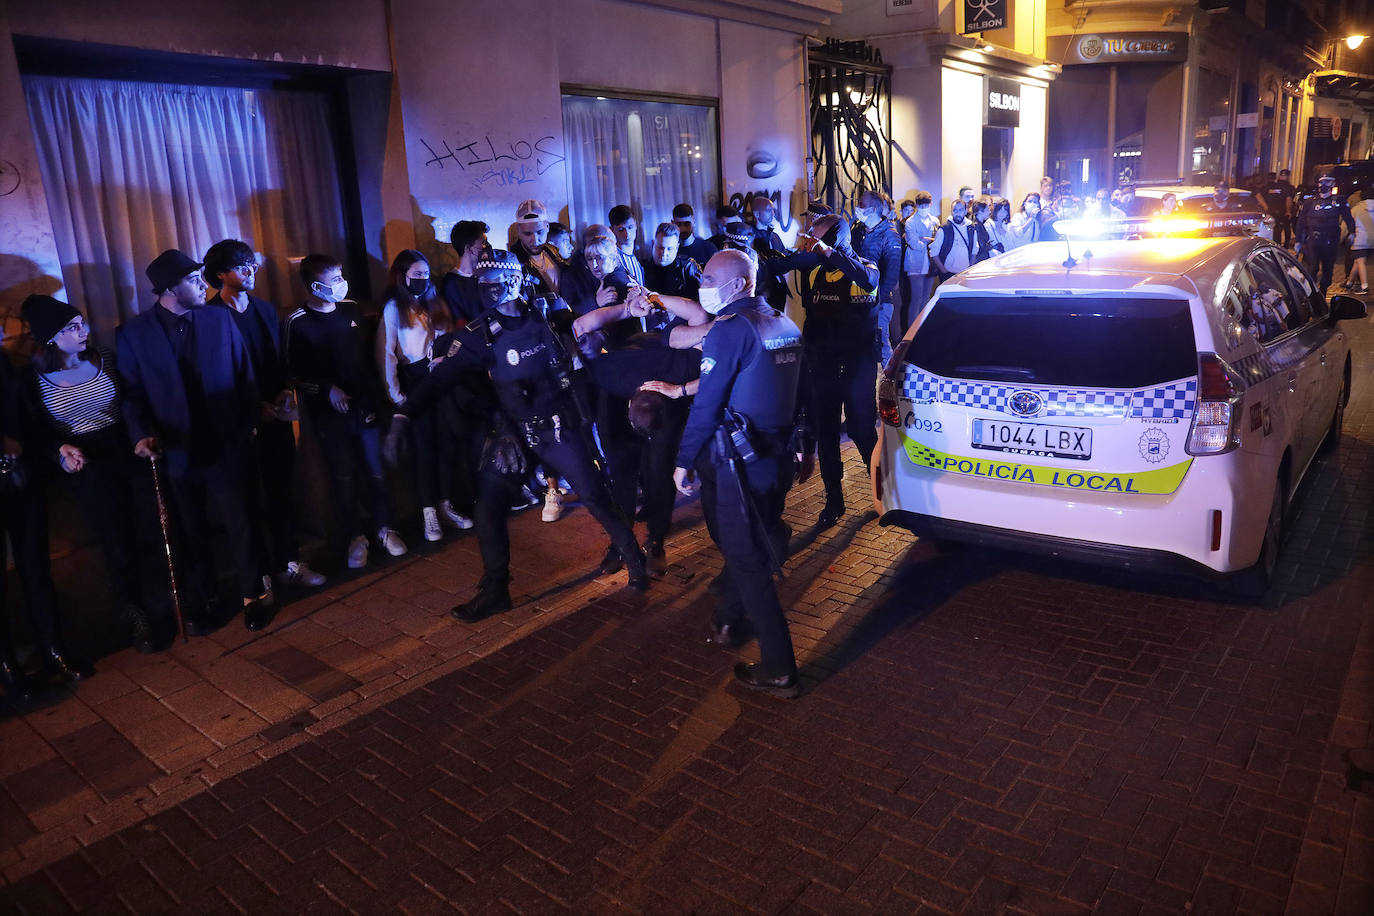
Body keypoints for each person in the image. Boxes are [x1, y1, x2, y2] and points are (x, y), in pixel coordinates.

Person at [386, 250, 650, 621]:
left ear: (514, 282)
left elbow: (583, 322)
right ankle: (496, 589)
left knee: (595, 496)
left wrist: (627, 310)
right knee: (488, 508)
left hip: (559, 427)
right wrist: (402, 414)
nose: (489, 294)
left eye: (495, 285)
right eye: (483, 287)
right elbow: (439, 379)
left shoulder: (545, 313)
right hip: (516, 434)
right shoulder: (479, 335)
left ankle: (634, 559)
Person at [116, 249, 272, 633]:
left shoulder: (219, 318)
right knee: (191, 528)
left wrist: (250, 422)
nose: (205, 285)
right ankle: (206, 598)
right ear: (169, 288)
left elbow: (243, 372)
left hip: (226, 441)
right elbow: (131, 392)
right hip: (175, 447)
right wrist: (141, 435)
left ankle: (254, 595)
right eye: (193, 280)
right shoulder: (134, 333)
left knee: (241, 520)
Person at [672, 249, 804, 699]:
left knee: (745, 559)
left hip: (736, 464)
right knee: (752, 541)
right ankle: (730, 616)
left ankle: (779, 667)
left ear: (737, 283)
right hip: (774, 456)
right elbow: (794, 393)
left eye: (708, 278)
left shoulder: (731, 330)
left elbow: (708, 403)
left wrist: (683, 459)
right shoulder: (782, 323)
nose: (702, 284)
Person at [19, 296, 171, 653]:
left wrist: (141, 435)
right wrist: (58, 451)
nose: (83, 331)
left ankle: (168, 598)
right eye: (72, 328)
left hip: (126, 448)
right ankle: (135, 613)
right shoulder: (34, 379)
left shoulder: (104, 358)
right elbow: (35, 431)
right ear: (51, 337)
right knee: (114, 540)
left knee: (151, 525)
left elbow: (132, 400)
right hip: (86, 463)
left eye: (82, 322)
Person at [204, 239, 326, 592]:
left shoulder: (265, 310)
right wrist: (252, 407)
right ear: (220, 274)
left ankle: (288, 560)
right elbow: (215, 376)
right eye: (241, 266)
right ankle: (260, 576)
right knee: (246, 502)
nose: (251, 271)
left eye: (252, 264)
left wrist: (286, 392)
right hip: (238, 423)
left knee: (281, 492)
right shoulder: (209, 317)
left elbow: (278, 361)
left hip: (276, 417)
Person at [286, 254, 407, 570]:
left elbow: (369, 360)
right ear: (315, 286)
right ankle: (355, 537)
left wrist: (378, 402)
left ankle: (385, 528)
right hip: (330, 417)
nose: (341, 284)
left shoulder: (351, 309)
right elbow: (292, 371)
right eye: (333, 279)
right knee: (343, 477)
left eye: (341, 276)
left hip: (364, 409)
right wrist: (326, 389)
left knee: (375, 470)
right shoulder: (298, 322)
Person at [2, 327, 93, 700]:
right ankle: (8, 669)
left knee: (37, 571)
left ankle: (54, 650)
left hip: (20, 480)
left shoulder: (6, 366)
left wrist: (58, 449)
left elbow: (31, 422)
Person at [773, 214, 879, 528]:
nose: (811, 240)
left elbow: (867, 281)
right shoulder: (814, 269)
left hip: (858, 366)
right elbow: (777, 267)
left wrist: (828, 252)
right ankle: (834, 501)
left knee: (861, 432)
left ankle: (883, 492)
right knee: (827, 435)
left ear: (834, 237)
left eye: (817, 236)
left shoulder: (867, 265)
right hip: (824, 365)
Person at [376, 249, 471, 541]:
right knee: (423, 449)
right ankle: (428, 512)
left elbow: (446, 337)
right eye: (416, 275)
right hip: (413, 378)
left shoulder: (433, 300)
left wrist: (444, 359)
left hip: (437, 375)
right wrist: (397, 396)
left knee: (445, 443)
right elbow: (387, 353)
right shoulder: (394, 307)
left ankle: (445, 505)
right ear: (402, 276)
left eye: (426, 274)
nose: (422, 279)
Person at [852, 189, 903, 359]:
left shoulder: (889, 235)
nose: (857, 208)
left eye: (861, 205)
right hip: (857, 299)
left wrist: (876, 300)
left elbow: (891, 275)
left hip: (879, 303)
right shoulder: (858, 230)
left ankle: (889, 382)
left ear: (873, 209)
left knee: (881, 345)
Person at [1296, 175, 1356, 296]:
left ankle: (1322, 293)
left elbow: (1349, 218)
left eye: (1327, 182)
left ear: (1333, 184)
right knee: (1312, 268)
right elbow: (1301, 222)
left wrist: (1352, 232)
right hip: (1314, 239)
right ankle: (1312, 294)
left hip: (1331, 240)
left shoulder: (1339, 201)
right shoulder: (1310, 202)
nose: (1324, 185)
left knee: (1328, 269)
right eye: (1321, 182)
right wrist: (1298, 241)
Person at [441, 220, 490, 326]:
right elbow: (459, 324)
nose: (487, 247)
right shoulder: (451, 284)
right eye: (483, 243)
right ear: (468, 249)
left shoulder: (488, 275)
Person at [901, 191, 938, 332]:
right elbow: (914, 243)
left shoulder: (934, 220)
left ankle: (923, 327)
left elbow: (937, 241)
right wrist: (929, 241)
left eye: (926, 205)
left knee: (926, 297)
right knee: (916, 297)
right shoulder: (910, 221)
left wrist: (924, 239)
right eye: (921, 205)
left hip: (930, 263)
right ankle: (912, 329)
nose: (923, 208)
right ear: (917, 205)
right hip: (915, 262)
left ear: (930, 204)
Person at [749, 196, 792, 312]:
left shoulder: (775, 236)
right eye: (769, 210)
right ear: (757, 214)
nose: (773, 214)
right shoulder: (749, 238)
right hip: (760, 293)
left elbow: (785, 259)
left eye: (773, 210)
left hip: (778, 290)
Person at [640, 222, 701, 300]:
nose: (664, 253)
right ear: (653, 244)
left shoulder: (687, 267)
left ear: (677, 247)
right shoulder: (642, 268)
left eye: (669, 249)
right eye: (660, 247)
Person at [928, 199, 978, 282]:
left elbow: (974, 251)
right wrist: (943, 270)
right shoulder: (944, 229)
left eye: (961, 210)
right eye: (955, 210)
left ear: (966, 211)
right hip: (948, 274)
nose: (957, 213)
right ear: (951, 211)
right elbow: (933, 252)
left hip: (965, 274)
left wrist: (970, 269)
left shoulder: (971, 229)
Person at [608, 204, 646, 287]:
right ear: (612, 230)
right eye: (621, 230)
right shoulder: (612, 259)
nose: (627, 234)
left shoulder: (637, 259)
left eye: (630, 227)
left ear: (636, 225)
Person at [672, 203, 718, 268]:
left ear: (694, 222)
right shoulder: (670, 251)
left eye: (687, 224)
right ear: (673, 223)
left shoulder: (708, 248)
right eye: (678, 224)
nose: (683, 229)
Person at [1262, 169, 1297, 247]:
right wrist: (1288, 211)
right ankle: (1285, 247)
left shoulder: (1272, 186)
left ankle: (1275, 246)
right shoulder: (1288, 187)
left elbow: (1261, 196)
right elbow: (1289, 199)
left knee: (1275, 229)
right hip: (1283, 211)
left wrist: (1266, 208)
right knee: (1286, 229)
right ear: (1288, 176)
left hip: (1271, 211)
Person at [1349, 189, 1374, 293]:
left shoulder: (1356, 209)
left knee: (1360, 261)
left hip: (1361, 240)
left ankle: (1364, 286)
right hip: (1372, 240)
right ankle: (1349, 283)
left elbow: (1348, 225)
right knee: (1358, 261)